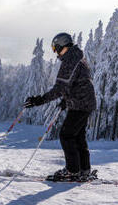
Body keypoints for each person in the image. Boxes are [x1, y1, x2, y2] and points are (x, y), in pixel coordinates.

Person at [24, 32, 96, 181]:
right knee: (78, 137)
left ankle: (72, 171)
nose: (55, 52)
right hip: (84, 103)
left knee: (66, 135)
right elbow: (77, 83)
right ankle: (84, 169)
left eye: (55, 48)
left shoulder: (70, 61)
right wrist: (67, 99)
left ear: (62, 45)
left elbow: (60, 88)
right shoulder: (77, 58)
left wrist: (40, 100)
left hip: (80, 104)